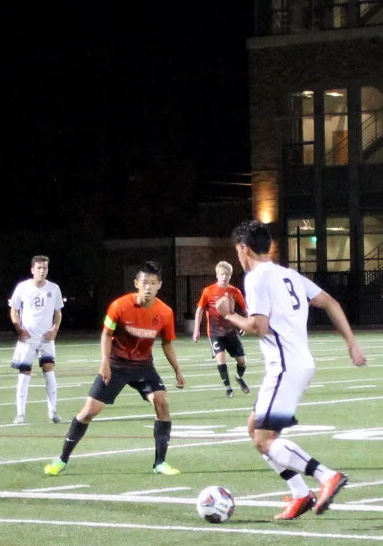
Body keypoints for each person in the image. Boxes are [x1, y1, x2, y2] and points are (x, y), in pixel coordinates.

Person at [215, 221, 366, 521]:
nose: (238, 256)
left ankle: (326, 476)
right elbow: (330, 302)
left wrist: (229, 315)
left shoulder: (256, 278)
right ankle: (300, 493)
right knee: (254, 428)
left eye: (237, 251)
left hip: (285, 368)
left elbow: (259, 327)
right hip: (299, 364)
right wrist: (352, 344)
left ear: (244, 248)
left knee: (263, 439)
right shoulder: (290, 275)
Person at [44, 261, 185, 476]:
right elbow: (106, 334)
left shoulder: (165, 312)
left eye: (153, 283)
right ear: (136, 283)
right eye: (144, 282)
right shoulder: (119, 306)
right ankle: (62, 459)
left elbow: (167, 343)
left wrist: (177, 369)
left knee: (162, 403)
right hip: (117, 365)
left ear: (159, 285)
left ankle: (160, 463)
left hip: (144, 366)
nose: (148, 287)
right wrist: (105, 362)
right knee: (89, 411)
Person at [7, 255, 64, 424]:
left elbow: (58, 312)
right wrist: (19, 327)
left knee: (49, 370)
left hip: (46, 338)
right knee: (25, 372)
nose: (42, 271)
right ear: (32, 270)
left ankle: (53, 411)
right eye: (39, 268)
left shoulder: (54, 288)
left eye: (45, 268)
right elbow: (14, 310)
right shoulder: (22, 287)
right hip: (28, 338)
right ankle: (20, 414)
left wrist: (54, 329)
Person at [193, 260, 249, 397]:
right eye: (222, 274)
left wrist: (245, 323)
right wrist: (196, 330)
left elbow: (245, 309)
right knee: (220, 357)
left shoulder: (235, 291)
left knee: (242, 361)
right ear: (217, 275)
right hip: (215, 332)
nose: (224, 277)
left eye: (227, 274)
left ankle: (239, 377)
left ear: (230, 276)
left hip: (230, 332)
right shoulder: (208, 291)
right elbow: (200, 310)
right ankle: (228, 387)